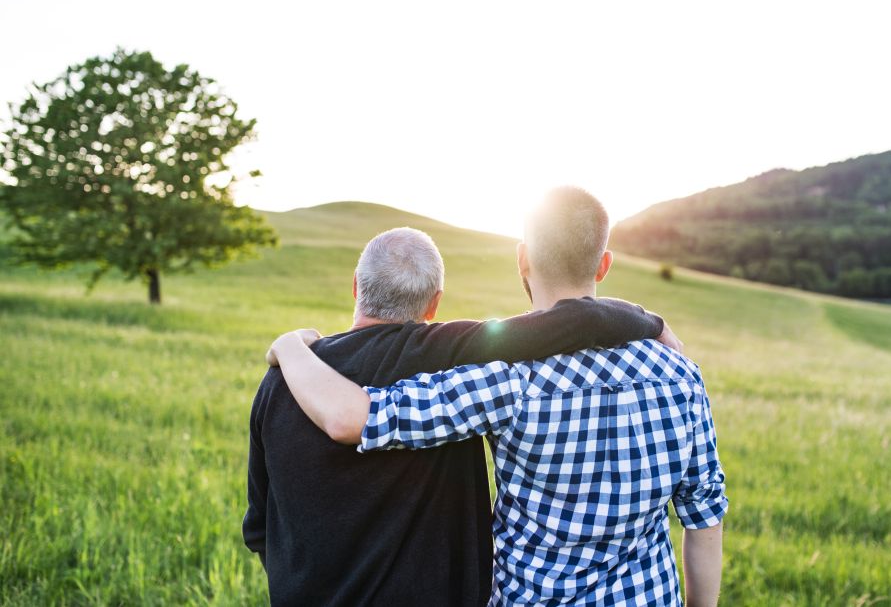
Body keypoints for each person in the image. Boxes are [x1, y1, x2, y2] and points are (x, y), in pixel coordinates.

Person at [269, 187, 728, 607]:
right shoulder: (681, 375)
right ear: (604, 265)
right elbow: (703, 517)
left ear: (523, 259)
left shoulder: (505, 380)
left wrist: (290, 347)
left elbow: (354, 418)